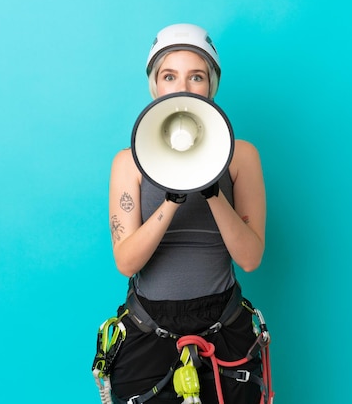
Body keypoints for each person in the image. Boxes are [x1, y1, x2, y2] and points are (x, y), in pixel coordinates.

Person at [106, 23, 267, 404]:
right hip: (148, 333)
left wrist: (212, 191)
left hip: (224, 329)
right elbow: (127, 262)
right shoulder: (128, 163)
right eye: (169, 75)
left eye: (196, 76)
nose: (183, 86)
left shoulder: (242, 156)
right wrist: (172, 200)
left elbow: (250, 258)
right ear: (155, 86)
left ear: (211, 84)